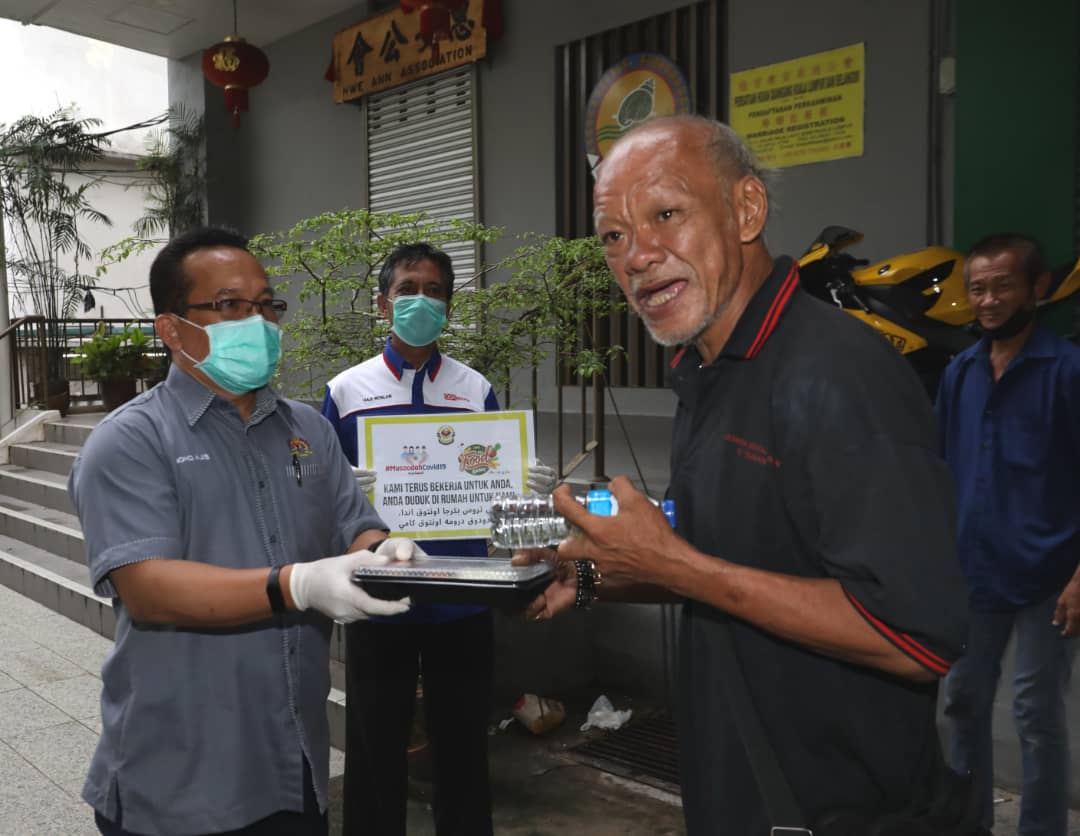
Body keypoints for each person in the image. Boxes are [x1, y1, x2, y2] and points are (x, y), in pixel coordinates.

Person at [518, 115, 971, 834]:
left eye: (667, 214)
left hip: (838, 812)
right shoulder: (710, 371)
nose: (637, 256)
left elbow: (915, 638)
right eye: (613, 235)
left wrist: (676, 566)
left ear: (746, 210)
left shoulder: (837, 376)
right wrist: (596, 573)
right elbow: (744, 564)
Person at [68, 226, 424, 836]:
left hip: (293, 766)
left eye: (266, 305)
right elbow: (147, 587)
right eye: (230, 305)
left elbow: (355, 527)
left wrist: (383, 552)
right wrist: (298, 585)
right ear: (173, 329)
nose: (256, 322)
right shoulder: (130, 442)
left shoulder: (307, 430)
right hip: (177, 780)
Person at [321, 242, 556, 836]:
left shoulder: (475, 390)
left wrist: (531, 499)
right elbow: (318, 504)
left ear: (450, 307)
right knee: (374, 751)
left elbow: (504, 519)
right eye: (407, 290)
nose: (420, 301)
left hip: (462, 598)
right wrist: (339, 489)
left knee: (463, 752)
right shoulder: (346, 391)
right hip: (378, 595)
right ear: (382, 303)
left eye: (434, 291)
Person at [937, 233, 1080, 836]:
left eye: (1002, 286)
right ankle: (966, 823)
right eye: (977, 288)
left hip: (1050, 576)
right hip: (975, 573)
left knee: (1034, 712)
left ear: (1037, 289)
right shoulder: (960, 373)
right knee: (960, 702)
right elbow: (942, 469)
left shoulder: (1068, 371)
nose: (988, 300)